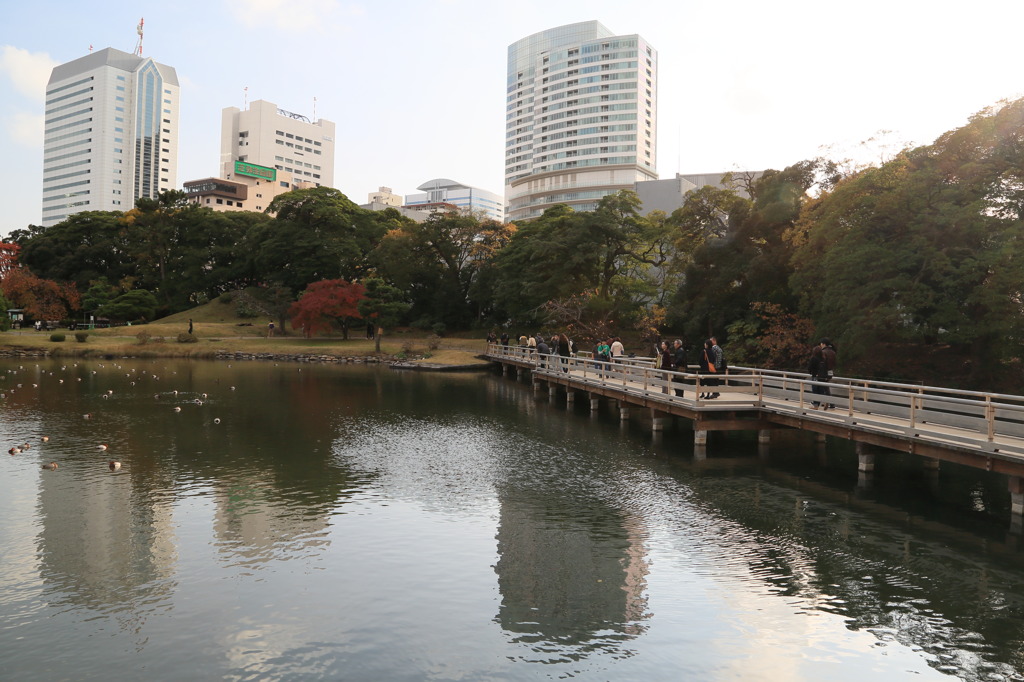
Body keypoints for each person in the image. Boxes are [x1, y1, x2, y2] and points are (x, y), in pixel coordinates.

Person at [820, 338, 837, 410]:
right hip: (830, 371)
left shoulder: (823, 352)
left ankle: (827, 402)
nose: (820, 345)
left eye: (821, 343)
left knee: (823, 387)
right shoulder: (833, 352)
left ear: (824, 344)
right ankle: (830, 403)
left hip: (823, 372)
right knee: (826, 387)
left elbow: (822, 363)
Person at [808, 345, 827, 409]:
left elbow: (810, 368)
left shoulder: (813, 358)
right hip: (822, 377)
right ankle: (824, 401)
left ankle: (816, 404)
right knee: (821, 390)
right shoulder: (823, 359)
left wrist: (811, 372)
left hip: (815, 376)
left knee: (815, 390)